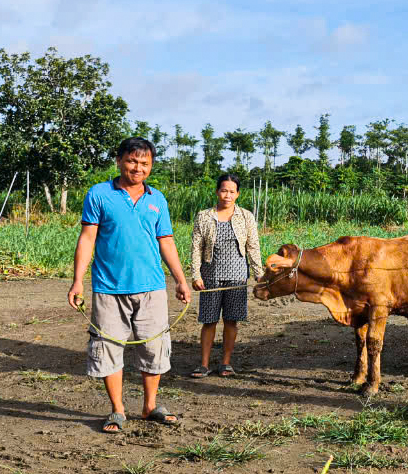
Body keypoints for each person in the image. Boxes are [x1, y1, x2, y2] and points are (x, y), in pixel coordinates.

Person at [68, 137, 191, 434]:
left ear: (151, 166)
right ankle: (117, 410)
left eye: (145, 163)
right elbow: (87, 238)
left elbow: (167, 242)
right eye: (133, 161)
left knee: (154, 347)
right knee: (108, 347)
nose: (138, 167)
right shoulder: (99, 194)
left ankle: (150, 407)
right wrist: (77, 282)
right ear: (119, 160)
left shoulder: (157, 199)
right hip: (109, 288)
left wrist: (180, 279)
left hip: (151, 288)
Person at [189, 173, 263, 378]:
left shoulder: (246, 216)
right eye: (224, 190)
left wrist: (259, 274)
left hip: (237, 277)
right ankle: (204, 364)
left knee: (231, 321)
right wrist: (196, 275)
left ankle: (226, 363)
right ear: (217, 192)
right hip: (210, 277)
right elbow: (196, 248)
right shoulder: (204, 216)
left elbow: (253, 247)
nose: (227, 195)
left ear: (237, 194)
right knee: (209, 320)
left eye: (232, 191)